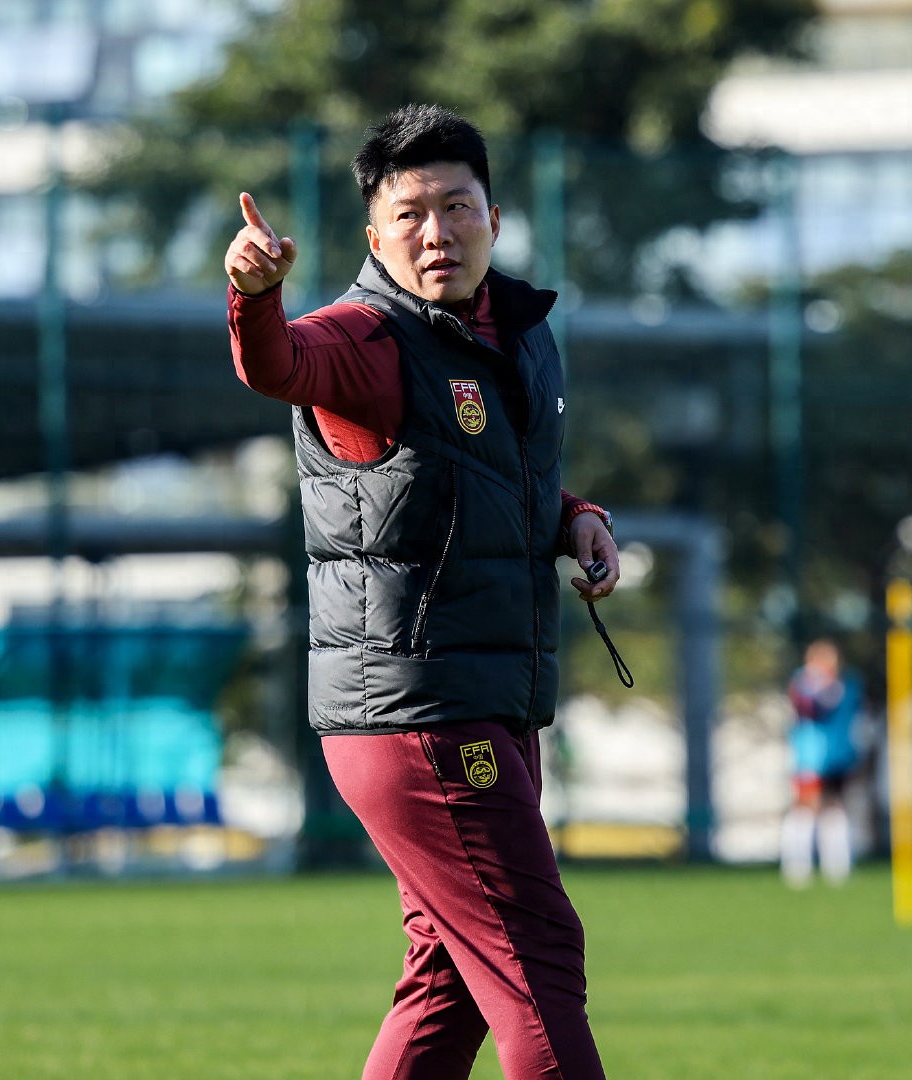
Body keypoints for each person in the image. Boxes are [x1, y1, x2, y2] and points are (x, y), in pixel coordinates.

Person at [225, 104, 617, 1080]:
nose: (435, 232)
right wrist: (254, 298)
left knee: (448, 981)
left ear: (495, 217)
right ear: (375, 238)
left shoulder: (517, 333)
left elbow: (489, 479)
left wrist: (575, 516)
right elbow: (278, 365)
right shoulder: (364, 337)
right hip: (421, 716)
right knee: (538, 956)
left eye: (455, 206)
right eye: (408, 215)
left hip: (489, 701)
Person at [780, 638, 861, 887]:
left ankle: (837, 866)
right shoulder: (802, 684)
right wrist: (819, 685)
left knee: (834, 806)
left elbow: (851, 710)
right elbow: (809, 709)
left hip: (838, 755)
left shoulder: (847, 683)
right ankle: (797, 865)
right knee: (806, 806)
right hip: (810, 756)